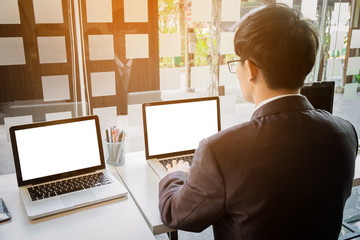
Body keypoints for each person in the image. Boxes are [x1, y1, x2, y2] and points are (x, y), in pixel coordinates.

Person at [158, 3, 359, 240]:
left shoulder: (220, 150)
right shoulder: (345, 132)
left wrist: (176, 174)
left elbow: (176, 215)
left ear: (251, 68)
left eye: (237, 63)